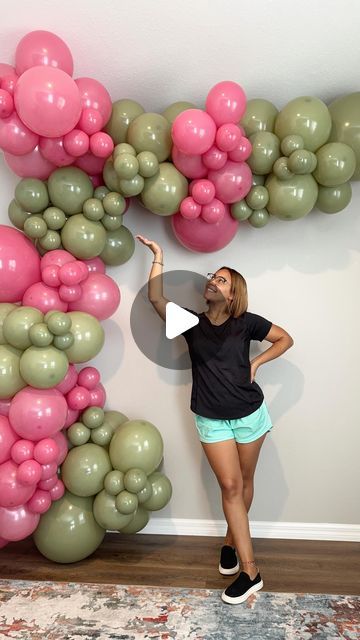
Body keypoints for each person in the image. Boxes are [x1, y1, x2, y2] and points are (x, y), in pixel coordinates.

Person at [136, 234, 294, 605]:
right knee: (230, 486)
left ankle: (230, 542)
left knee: (244, 482)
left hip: (251, 415)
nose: (212, 281)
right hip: (211, 418)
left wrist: (256, 362)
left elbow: (285, 339)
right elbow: (155, 299)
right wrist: (159, 255)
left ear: (234, 293)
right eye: (213, 276)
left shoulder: (247, 322)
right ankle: (251, 571)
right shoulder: (191, 322)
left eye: (221, 279)